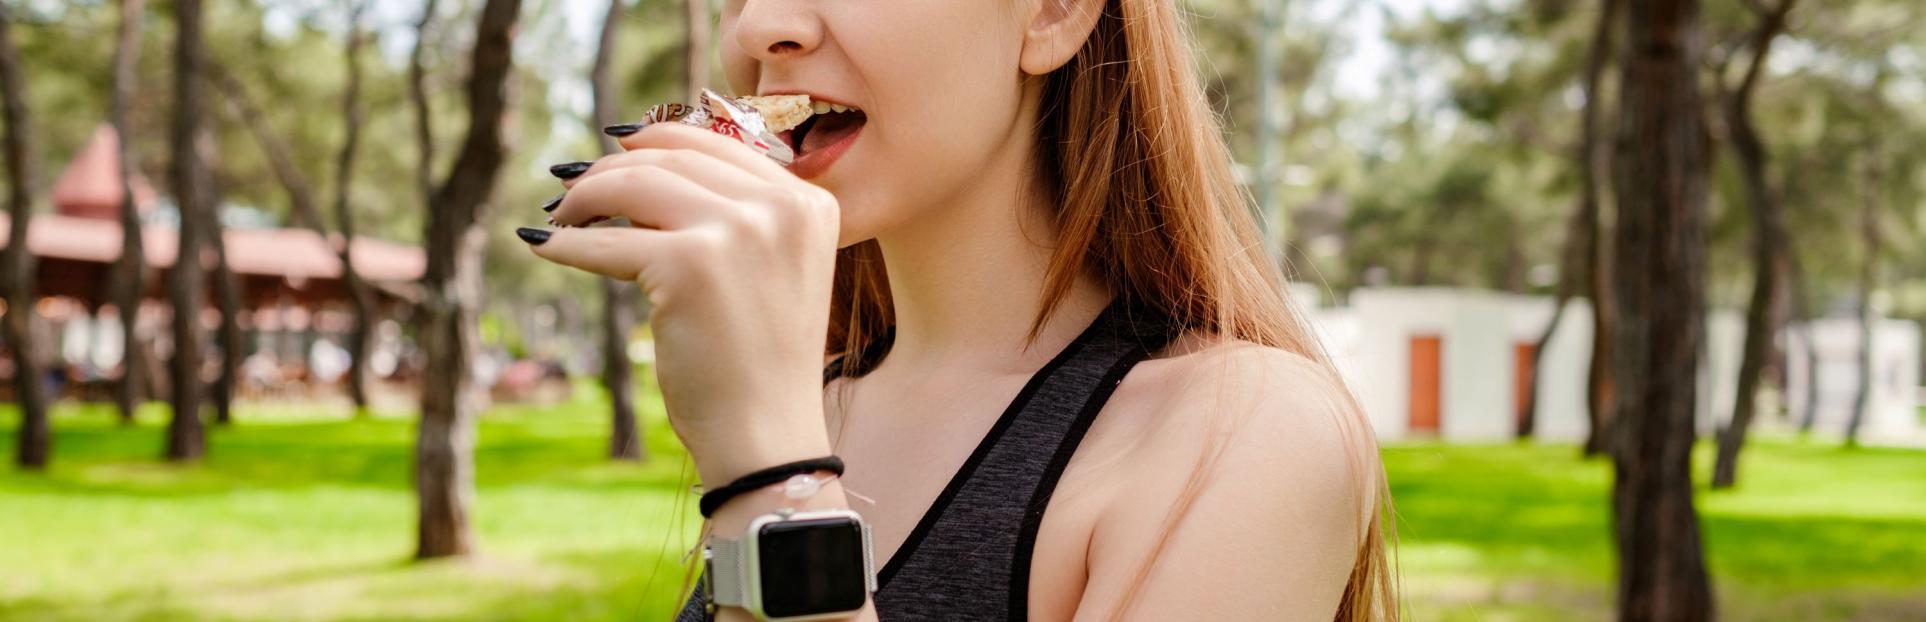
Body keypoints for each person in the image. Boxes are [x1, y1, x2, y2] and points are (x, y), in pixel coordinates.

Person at [518, 0, 1395, 619]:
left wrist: (769, 481)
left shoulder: (1244, 434)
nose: (756, 23)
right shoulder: (815, 403)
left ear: (1052, 11)